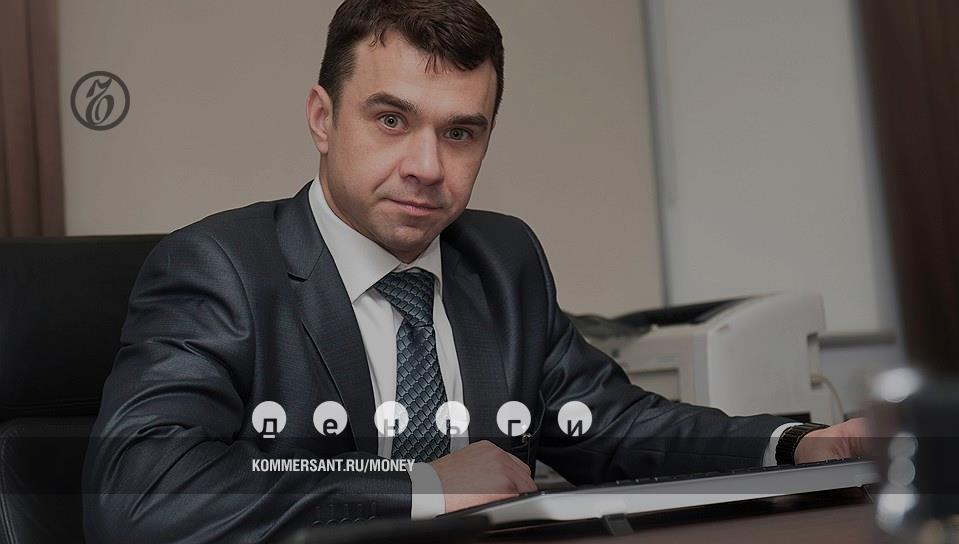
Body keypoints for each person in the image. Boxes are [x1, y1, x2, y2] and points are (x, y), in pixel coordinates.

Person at [82, 0, 872, 542]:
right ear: (323, 118)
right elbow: (140, 494)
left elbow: (616, 428)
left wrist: (799, 445)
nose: (427, 167)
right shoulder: (220, 268)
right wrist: (424, 486)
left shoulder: (502, 260)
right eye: (392, 120)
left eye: (460, 133)